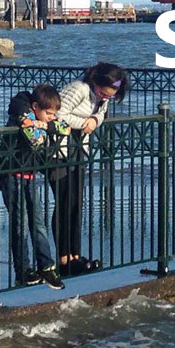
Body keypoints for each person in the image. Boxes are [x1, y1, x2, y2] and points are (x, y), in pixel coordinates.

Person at [47, 62, 129, 276]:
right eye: (104, 93)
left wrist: (94, 120)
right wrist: (84, 123)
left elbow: (101, 114)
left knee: (76, 203)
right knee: (64, 202)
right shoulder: (79, 89)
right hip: (59, 151)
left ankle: (75, 255)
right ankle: (62, 258)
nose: (106, 98)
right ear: (95, 82)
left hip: (77, 150)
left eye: (111, 96)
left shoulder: (102, 98)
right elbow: (57, 114)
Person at [0, 85, 67, 290]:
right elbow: (34, 141)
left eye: (53, 114)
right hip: (11, 174)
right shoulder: (20, 110)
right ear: (35, 106)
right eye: (48, 113)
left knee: (38, 222)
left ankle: (46, 266)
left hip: (29, 174)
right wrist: (39, 126)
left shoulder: (37, 116)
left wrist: (43, 124)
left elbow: (65, 127)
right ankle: (23, 269)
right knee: (20, 224)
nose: (51, 117)